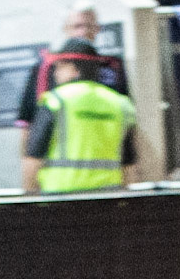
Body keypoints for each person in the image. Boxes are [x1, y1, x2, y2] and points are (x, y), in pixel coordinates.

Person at [21, 38, 137, 193]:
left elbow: (33, 157)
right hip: (109, 196)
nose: (55, 73)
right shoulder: (121, 104)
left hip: (61, 197)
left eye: (60, 67)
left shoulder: (55, 101)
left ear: (75, 69)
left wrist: (29, 197)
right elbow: (128, 162)